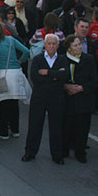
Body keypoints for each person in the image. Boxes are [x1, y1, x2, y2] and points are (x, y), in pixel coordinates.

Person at [23, 34, 69, 164]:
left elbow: (64, 75)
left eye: (54, 44)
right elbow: (35, 77)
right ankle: (30, 152)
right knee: (35, 125)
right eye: (49, 43)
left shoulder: (62, 59)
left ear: (58, 45)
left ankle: (57, 155)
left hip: (57, 98)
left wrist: (48, 73)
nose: (52, 46)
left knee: (56, 127)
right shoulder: (37, 59)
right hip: (39, 97)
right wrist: (55, 76)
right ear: (45, 45)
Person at [0, 22, 30, 139]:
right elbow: (26, 51)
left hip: (4, 75)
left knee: (4, 104)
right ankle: (15, 130)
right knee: (14, 103)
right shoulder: (11, 40)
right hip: (16, 73)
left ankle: (3, 131)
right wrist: (20, 61)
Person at [62, 35, 97, 163]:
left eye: (79, 44)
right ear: (69, 48)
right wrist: (66, 86)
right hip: (68, 99)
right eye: (75, 45)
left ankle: (80, 152)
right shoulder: (63, 59)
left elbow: (94, 81)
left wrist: (81, 88)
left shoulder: (89, 59)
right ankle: (64, 150)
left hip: (84, 98)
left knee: (83, 127)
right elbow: (59, 79)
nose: (79, 47)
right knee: (66, 126)